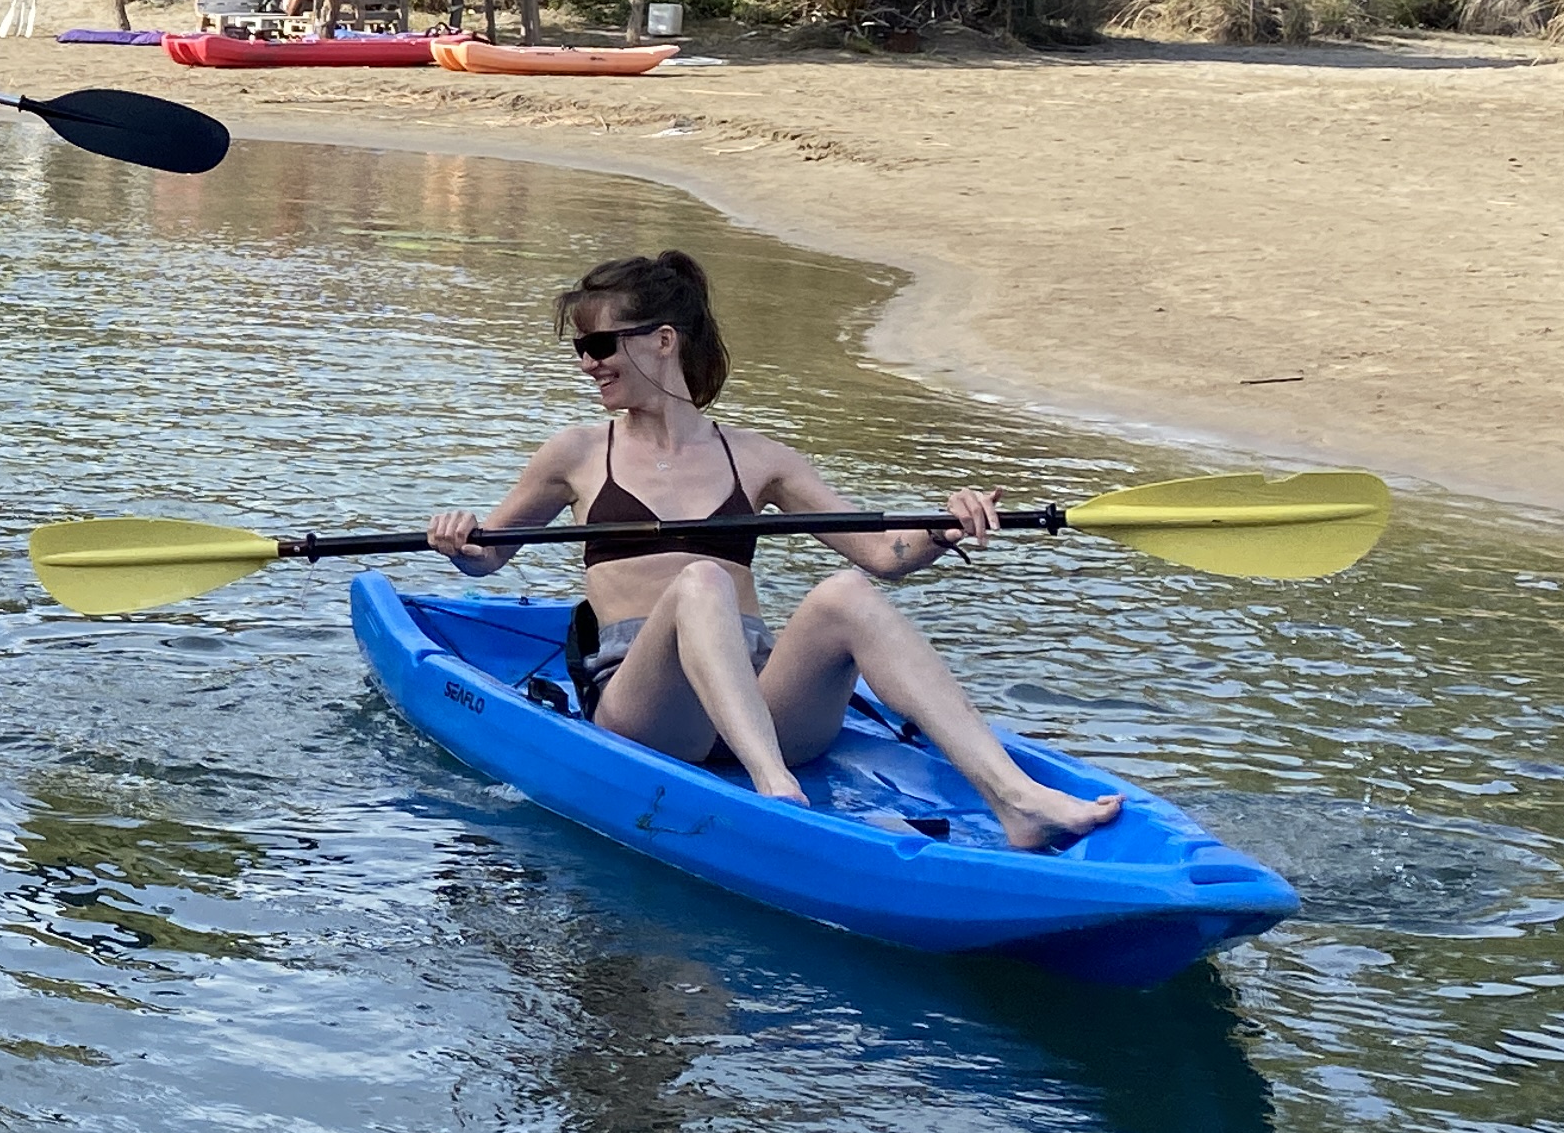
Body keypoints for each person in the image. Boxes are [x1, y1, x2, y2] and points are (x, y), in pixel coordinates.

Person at [423, 252, 1121, 854]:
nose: (587, 364)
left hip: (763, 695)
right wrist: (461, 540)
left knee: (844, 594)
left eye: (600, 345)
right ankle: (775, 796)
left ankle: (1014, 799)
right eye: (580, 349)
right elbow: (489, 558)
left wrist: (945, 526)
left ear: (662, 340)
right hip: (649, 707)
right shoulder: (576, 453)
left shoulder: (761, 458)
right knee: (702, 581)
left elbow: (881, 554)